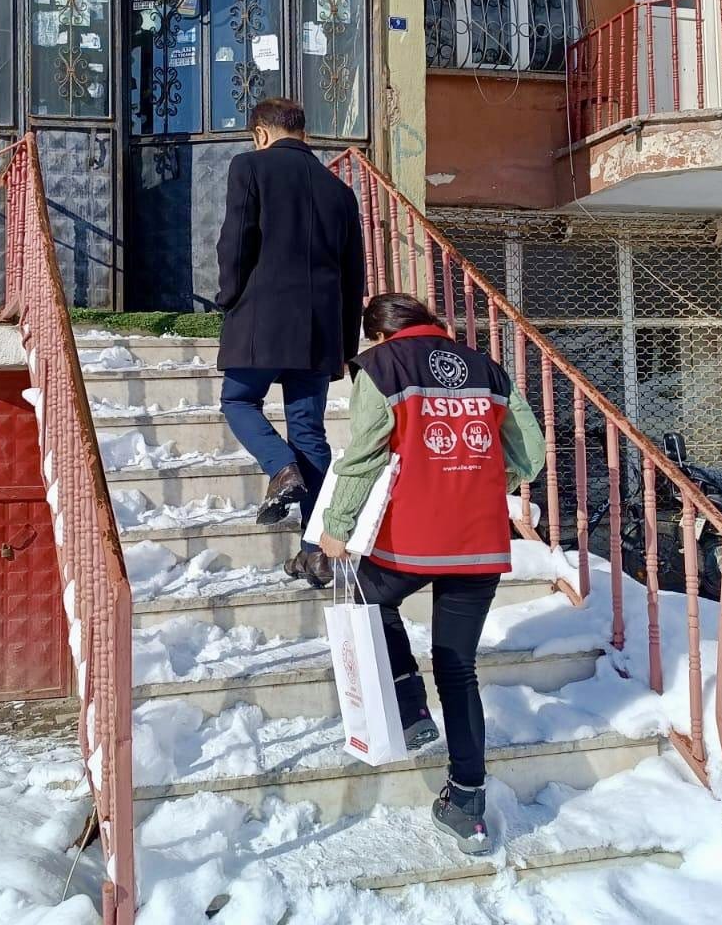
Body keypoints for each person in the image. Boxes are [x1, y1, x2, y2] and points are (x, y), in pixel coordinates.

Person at [319, 291, 544, 855]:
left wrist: (337, 526)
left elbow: (365, 454)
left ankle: (409, 704)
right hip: (480, 540)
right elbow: (531, 454)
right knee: (458, 669)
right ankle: (467, 804)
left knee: (369, 598)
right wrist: (483, 482)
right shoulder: (487, 368)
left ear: (378, 335)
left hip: (413, 538)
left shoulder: (381, 366)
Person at [216, 97, 366, 589]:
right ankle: (316, 551)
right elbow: (354, 275)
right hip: (320, 331)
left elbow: (236, 240)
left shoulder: (250, 167)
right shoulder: (340, 191)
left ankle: (281, 469)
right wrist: (345, 344)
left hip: (262, 318)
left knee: (239, 401)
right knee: (309, 433)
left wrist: (229, 295)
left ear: (260, 133)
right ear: (303, 133)